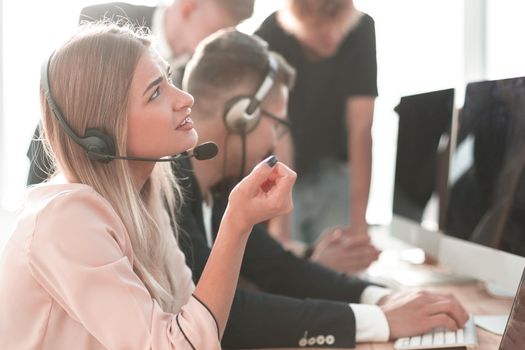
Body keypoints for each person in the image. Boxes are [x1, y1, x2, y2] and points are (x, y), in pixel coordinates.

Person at [0, 23, 295, 349]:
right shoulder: (65, 219)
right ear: (105, 131)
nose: (185, 98)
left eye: (169, 79)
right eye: (156, 92)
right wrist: (236, 223)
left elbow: (193, 325)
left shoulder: (146, 198)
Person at [177, 28, 470, 348]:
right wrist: (381, 320)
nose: (276, 141)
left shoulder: (216, 192)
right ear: (242, 117)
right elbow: (226, 315)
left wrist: (383, 297)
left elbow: (279, 269)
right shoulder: (171, 191)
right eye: (277, 125)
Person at [26, 0, 254, 185]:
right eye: (214, 31)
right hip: (65, 153)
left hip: (134, 182)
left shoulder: (195, 71)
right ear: (188, 7)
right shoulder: (103, 18)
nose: (214, 44)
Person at [256, 0, 377, 249]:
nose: (332, 39)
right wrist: (283, 227)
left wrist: (359, 224)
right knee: (290, 257)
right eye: (320, 32)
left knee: (342, 258)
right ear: (295, 26)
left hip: (335, 168)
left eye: (339, 28)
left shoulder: (361, 28)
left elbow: (361, 129)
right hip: (284, 165)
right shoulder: (271, 34)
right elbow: (280, 131)